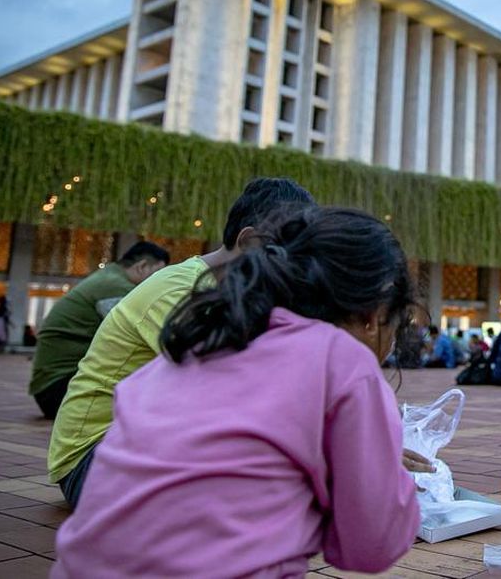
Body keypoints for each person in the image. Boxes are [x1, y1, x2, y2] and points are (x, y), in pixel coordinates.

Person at [51, 206, 425, 577]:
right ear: (375, 314)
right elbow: (373, 547)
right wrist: (381, 472)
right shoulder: (344, 361)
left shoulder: (200, 338)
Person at [47, 177, 315, 508]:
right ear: (248, 241)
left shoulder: (226, 294)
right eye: (285, 255)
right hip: (92, 457)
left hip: (138, 445)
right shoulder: (179, 291)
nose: (292, 269)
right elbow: (231, 389)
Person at [27, 242, 170, 420]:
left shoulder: (108, 278)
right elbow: (144, 334)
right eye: (157, 275)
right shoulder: (116, 287)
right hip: (62, 393)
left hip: (55, 389)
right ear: (141, 266)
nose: (159, 284)